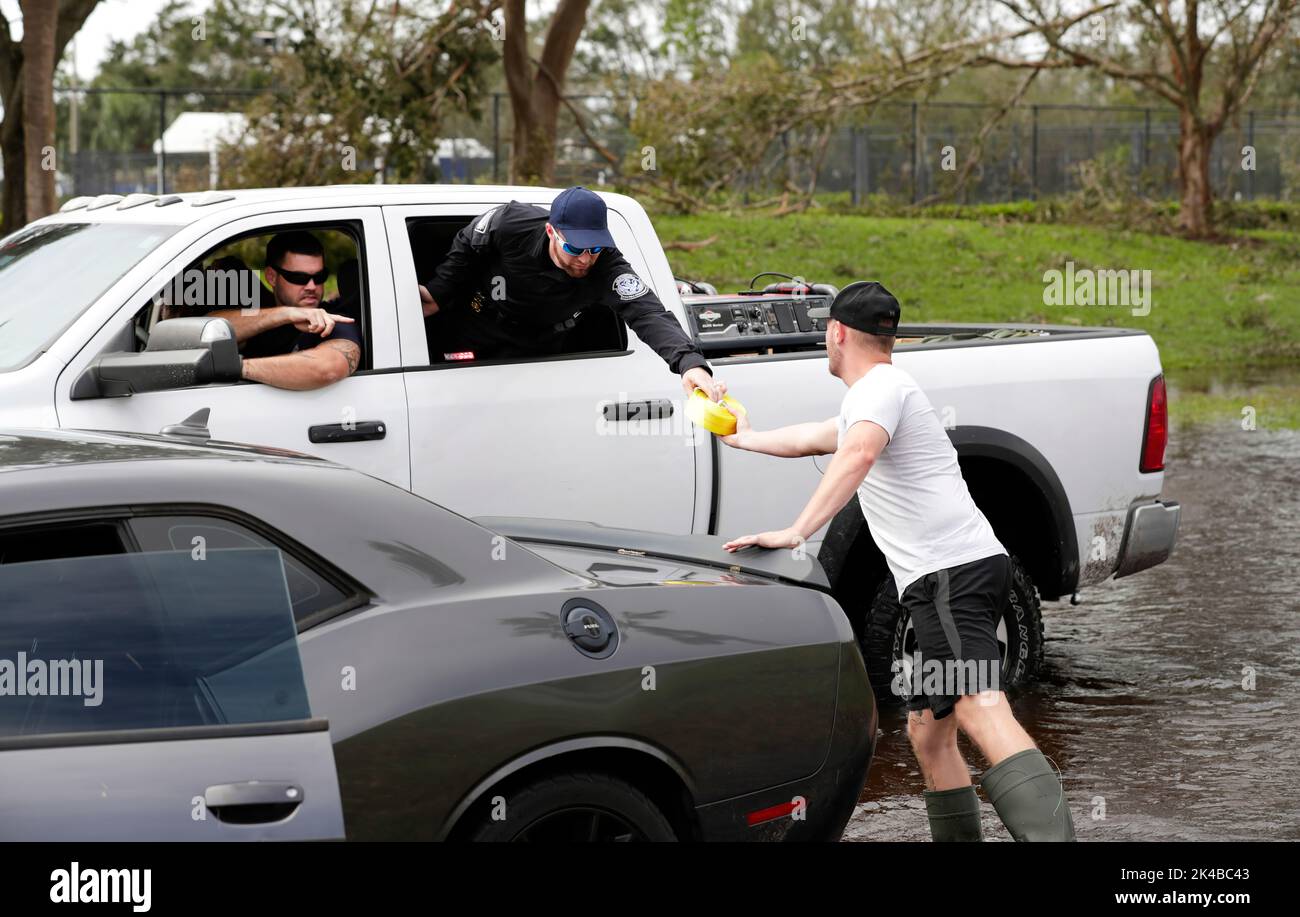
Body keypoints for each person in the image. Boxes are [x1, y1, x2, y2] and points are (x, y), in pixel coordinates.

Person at [718, 281, 1075, 842]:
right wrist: (747, 438)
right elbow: (820, 438)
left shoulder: (881, 388)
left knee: (980, 705)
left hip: (949, 579)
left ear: (836, 333)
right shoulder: (879, 392)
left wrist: (797, 531)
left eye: (826, 336)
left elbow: (856, 453)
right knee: (928, 733)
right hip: (948, 578)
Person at [417, 185, 724, 400]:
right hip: (478, 330)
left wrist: (689, 363)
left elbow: (647, 312)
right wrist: (440, 291)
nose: (585, 258)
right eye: (575, 247)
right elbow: (468, 243)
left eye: (595, 247)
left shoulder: (607, 265)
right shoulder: (511, 224)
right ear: (551, 231)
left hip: (544, 348)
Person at [206, 232, 362, 391]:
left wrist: (234, 368)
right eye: (299, 278)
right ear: (272, 277)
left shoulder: (332, 321)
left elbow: (327, 369)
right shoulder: (260, 316)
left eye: (319, 277)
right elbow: (207, 328)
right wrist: (285, 314)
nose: (311, 286)